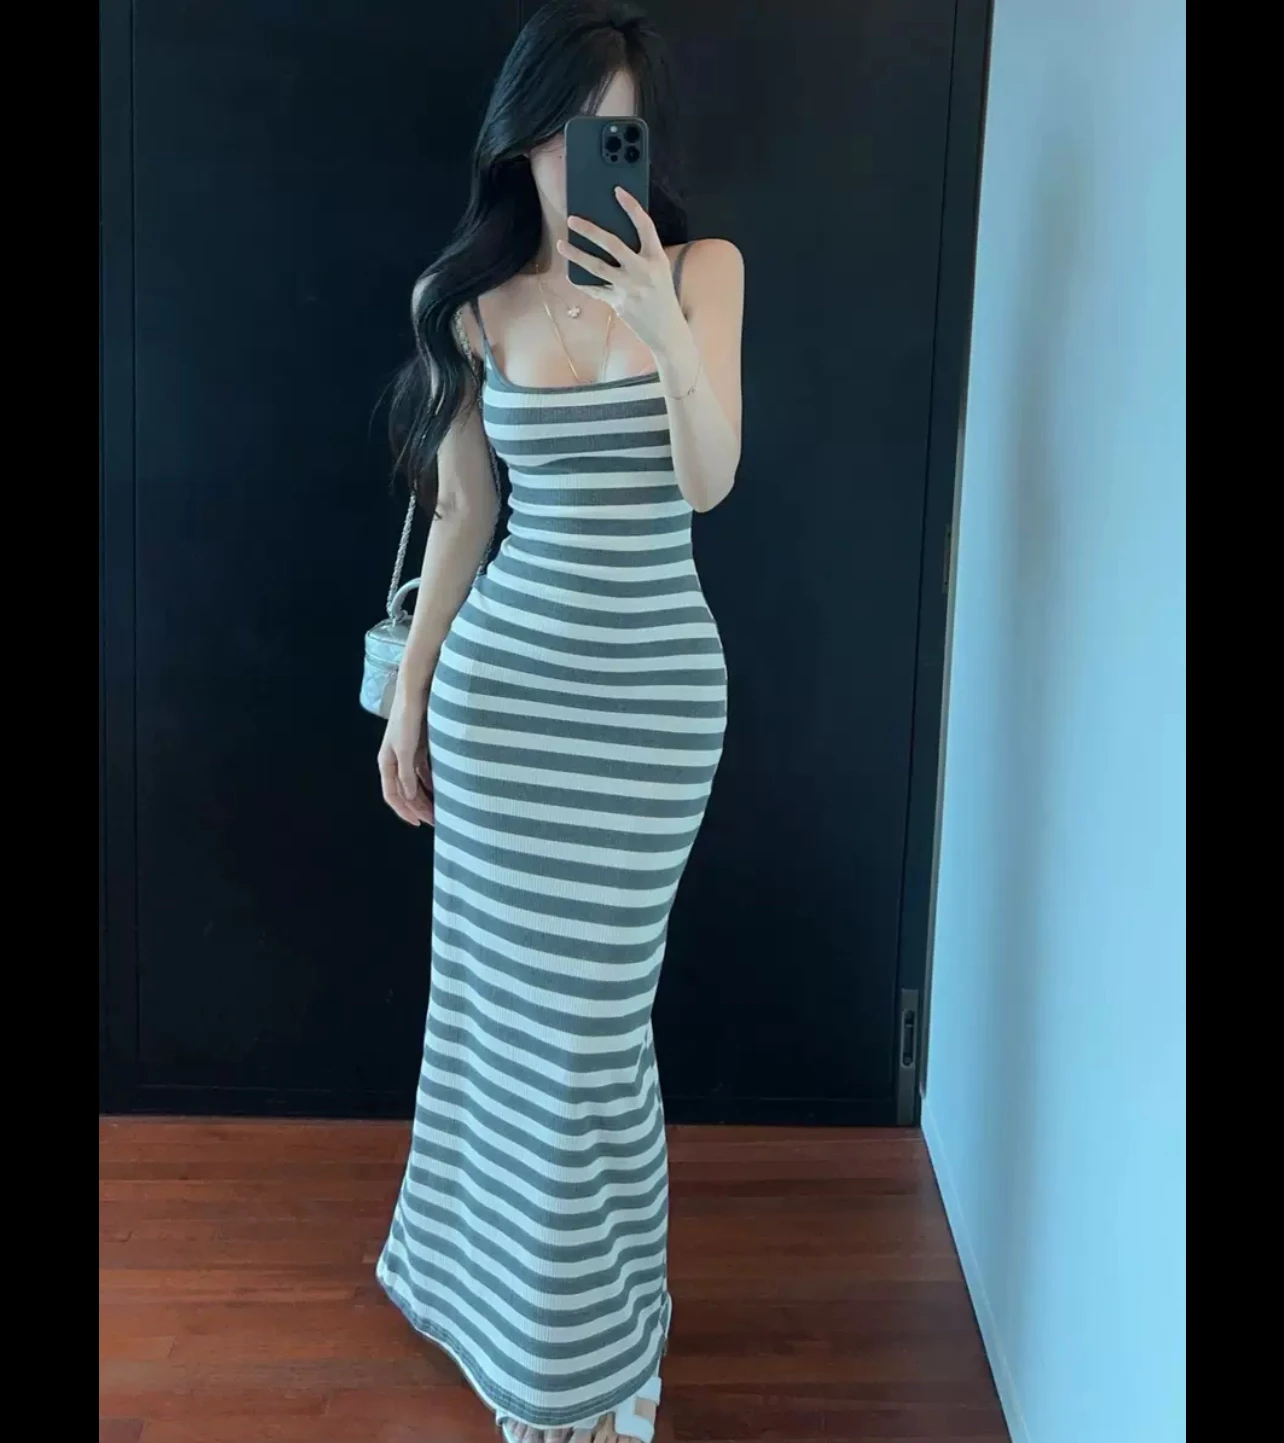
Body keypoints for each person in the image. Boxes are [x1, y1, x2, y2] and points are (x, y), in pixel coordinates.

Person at [374, 3, 743, 1439]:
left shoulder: (702, 272)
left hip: (652, 709)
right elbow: (463, 513)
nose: (576, 157)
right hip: (506, 709)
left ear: (637, 139)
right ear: (516, 140)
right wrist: (411, 698)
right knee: (501, 1025)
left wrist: (661, 328)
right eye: (556, 131)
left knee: (595, 1035)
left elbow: (709, 482)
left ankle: (600, 1343)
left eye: (608, 130)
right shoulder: (462, 303)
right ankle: (518, 1342)